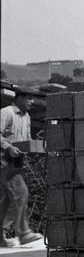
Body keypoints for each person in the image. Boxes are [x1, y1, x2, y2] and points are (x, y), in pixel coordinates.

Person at [0, 86, 44, 247]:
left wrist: (34, 146)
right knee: (21, 193)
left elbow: (25, 140)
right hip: (4, 160)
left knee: (6, 200)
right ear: (19, 98)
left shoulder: (27, 117)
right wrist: (8, 147)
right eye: (29, 98)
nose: (32, 102)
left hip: (17, 162)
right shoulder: (6, 113)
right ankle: (24, 233)